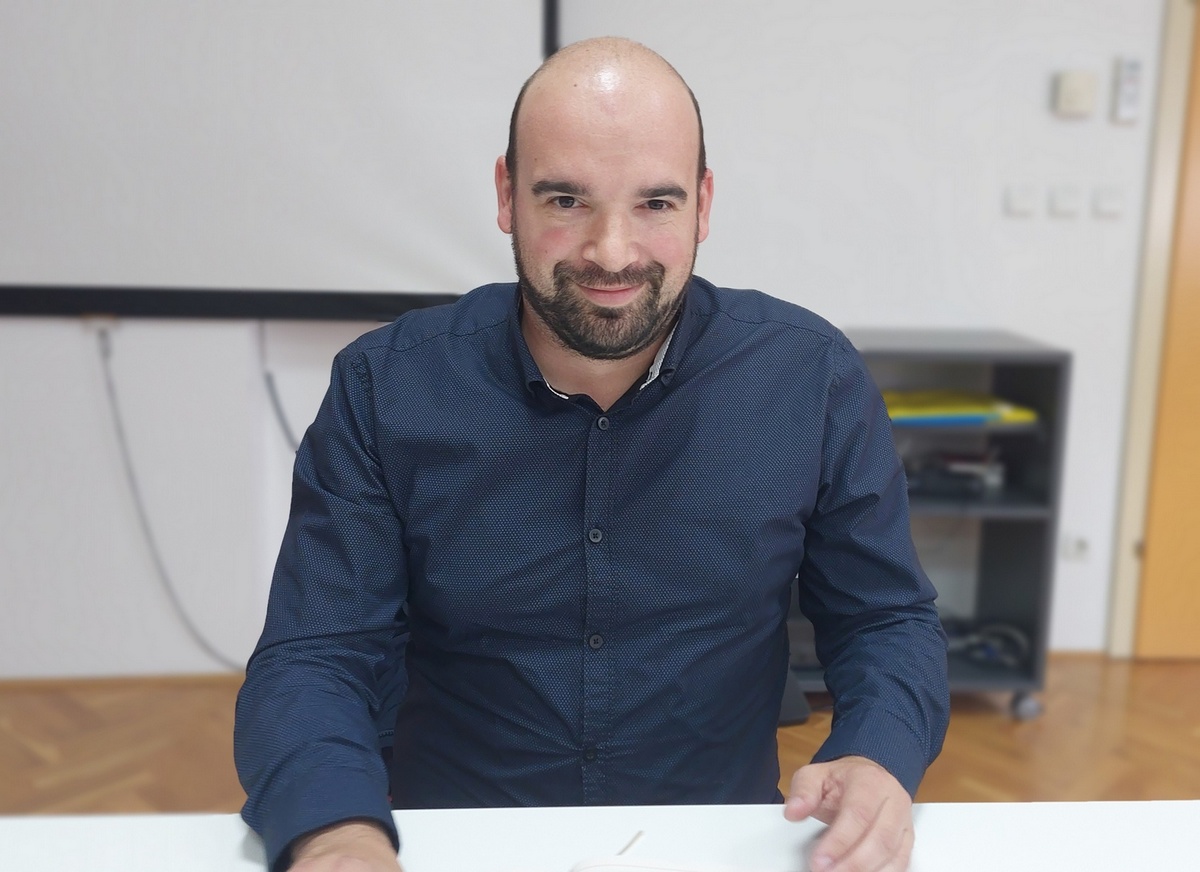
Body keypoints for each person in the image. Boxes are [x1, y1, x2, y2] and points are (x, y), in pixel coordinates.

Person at [235, 36, 949, 872]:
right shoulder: (385, 386)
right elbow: (317, 652)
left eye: (656, 203)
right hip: (449, 844)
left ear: (703, 205)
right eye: (567, 199)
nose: (612, 252)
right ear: (507, 195)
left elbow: (885, 619)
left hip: (714, 846)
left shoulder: (810, 378)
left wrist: (876, 753)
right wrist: (338, 835)